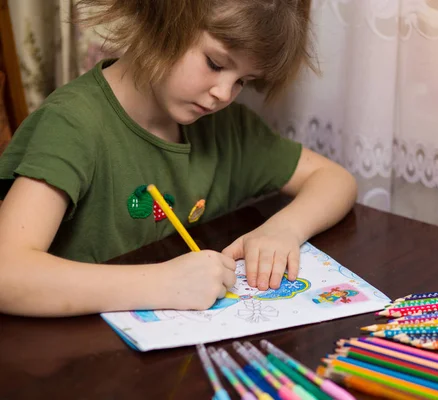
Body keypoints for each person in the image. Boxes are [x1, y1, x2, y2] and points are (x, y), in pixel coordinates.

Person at [0, 0, 357, 317]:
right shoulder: (72, 124)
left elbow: (334, 179)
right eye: (215, 63)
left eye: (243, 81)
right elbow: (7, 273)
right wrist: (161, 284)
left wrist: (284, 229)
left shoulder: (224, 127)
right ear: (163, 18)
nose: (223, 94)